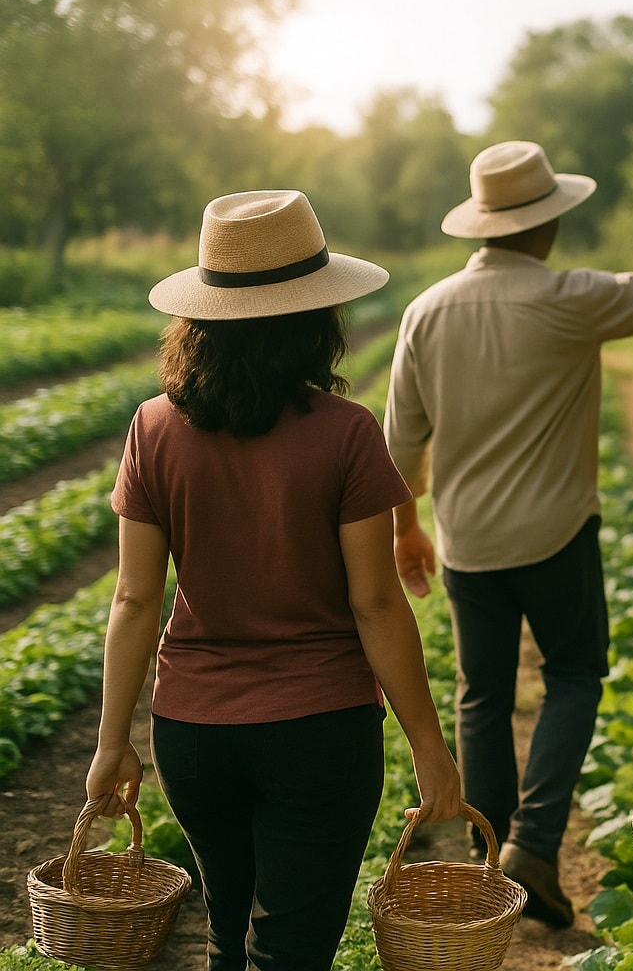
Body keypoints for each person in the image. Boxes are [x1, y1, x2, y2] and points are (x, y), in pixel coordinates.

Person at [385, 139, 633, 928]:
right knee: (572, 675)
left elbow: (400, 443)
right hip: (557, 534)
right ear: (546, 225)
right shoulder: (571, 297)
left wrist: (407, 525)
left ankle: (487, 858)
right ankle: (533, 847)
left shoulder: (426, 311)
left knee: (482, 694)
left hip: (467, 540)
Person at [85, 190, 461, 971]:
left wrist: (113, 741)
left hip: (194, 731)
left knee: (229, 933)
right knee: (291, 950)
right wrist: (429, 746)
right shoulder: (346, 434)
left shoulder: (153, 427)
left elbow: (135, 598)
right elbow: (375, 601)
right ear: (314, 317)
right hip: (320, 732)